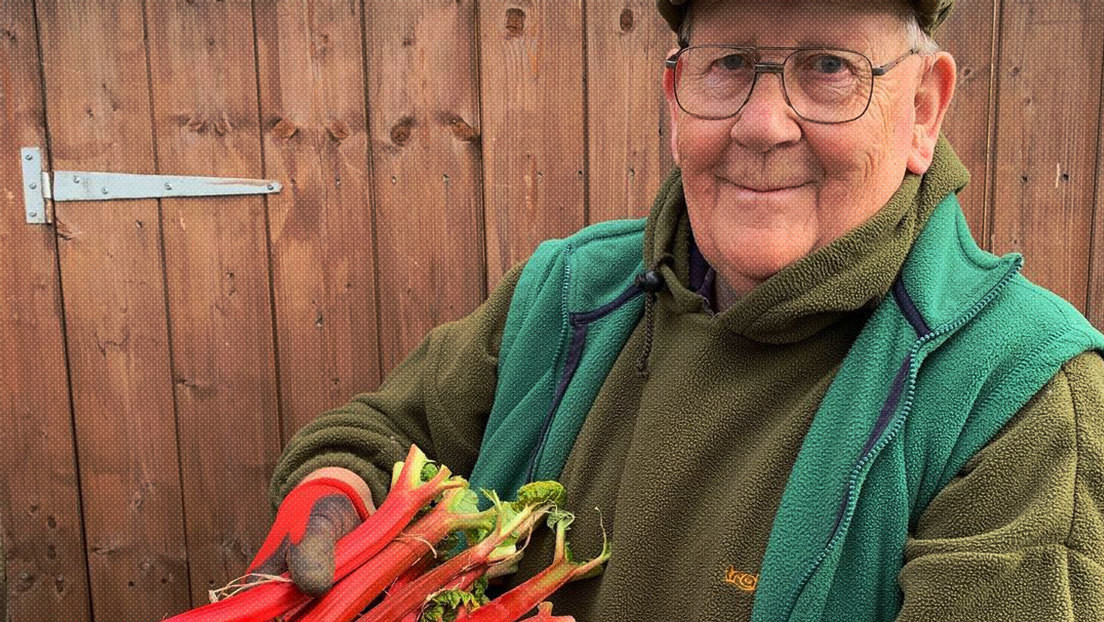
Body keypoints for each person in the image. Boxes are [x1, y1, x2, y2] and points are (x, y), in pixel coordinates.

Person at [252, 1, 1104, 619]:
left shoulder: (1021, 398)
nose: (763, 124)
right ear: (675, 98)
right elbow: (372, 438)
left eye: (830, 68)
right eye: (729, 64)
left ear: (923, 111)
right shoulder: (568, 293)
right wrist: (333, 497)